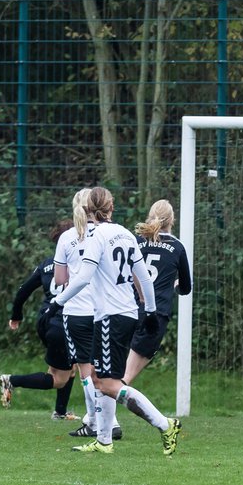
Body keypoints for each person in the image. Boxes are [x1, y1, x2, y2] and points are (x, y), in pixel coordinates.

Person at [48, 187, 180, 456]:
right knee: (99, 377)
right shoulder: (125, 233)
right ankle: (104, 440)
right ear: (111, 208)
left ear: (87, 210)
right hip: (124, 313)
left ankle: (165, 424)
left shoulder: (96, 237)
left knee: (109, 384)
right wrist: (151, 312)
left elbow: (83, 278)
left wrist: (56, 303)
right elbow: (142, 277)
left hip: (110, 316)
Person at [53, 188, 117, 441]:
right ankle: (105, 421)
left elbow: (60, 280)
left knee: (86, 372)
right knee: (103, 371)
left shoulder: (68, 237)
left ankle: (100, 422)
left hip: (76, 309)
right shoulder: (107, 235)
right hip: (103, 309)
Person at [0, 220, 76, 417]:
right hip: (62, 324)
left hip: (45, 320)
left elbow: (23, 291)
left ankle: (60, 412)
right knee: (59, 379)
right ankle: (12, 381)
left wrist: (16, 316)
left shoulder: (47, 264)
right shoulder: (79, 263)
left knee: (71, 367)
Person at [126, 199, 192, 387]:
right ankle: (101, 414)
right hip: (155, 314)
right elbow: (186, 288)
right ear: (172, 220)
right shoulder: (177, 247)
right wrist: (174, 284)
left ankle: (99, 412)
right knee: (125, 377)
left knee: (115, 372)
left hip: (126, 309)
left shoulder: (136, 241)